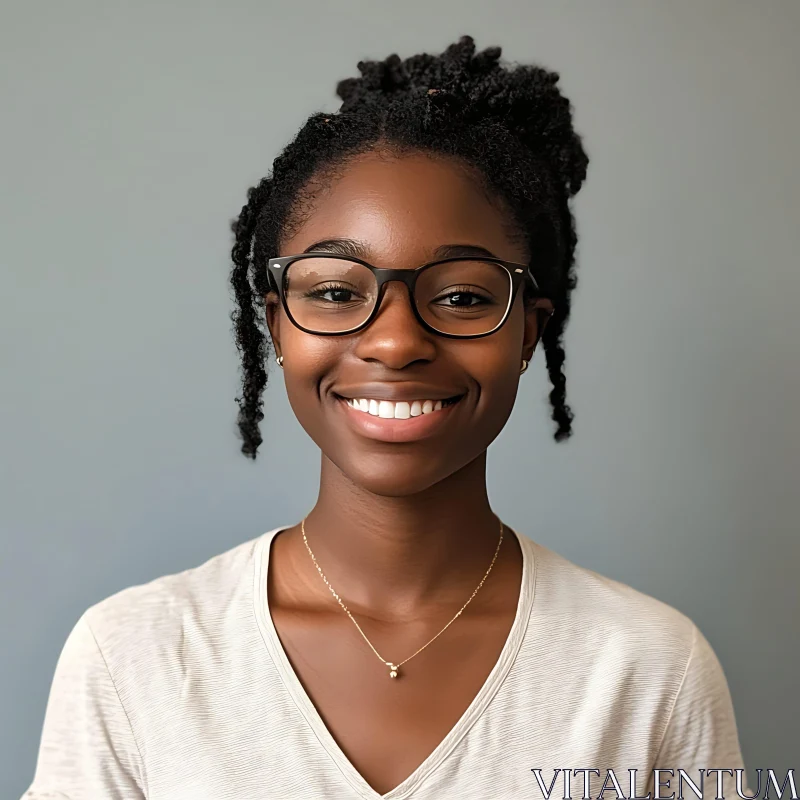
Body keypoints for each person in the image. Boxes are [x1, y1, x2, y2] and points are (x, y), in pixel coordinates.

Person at [23, 35, 751, 800]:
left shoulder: (648, 670)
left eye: (463, 296)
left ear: (527, 333)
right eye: (336, 292)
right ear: (276, 326)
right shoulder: (133, 656)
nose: (397, 340)